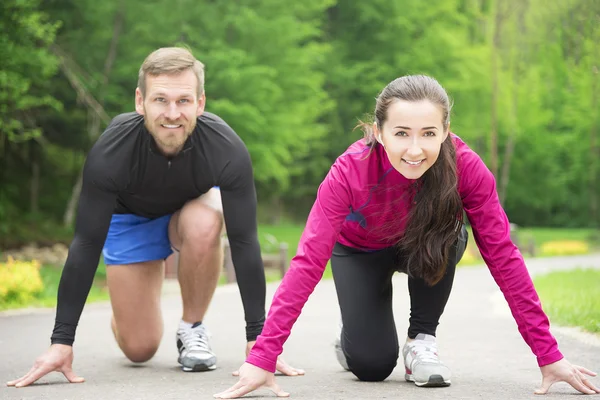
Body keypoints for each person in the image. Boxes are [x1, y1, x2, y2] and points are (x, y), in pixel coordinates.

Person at [214, 75, 600, 398]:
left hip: (427, 242)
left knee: (450, 230)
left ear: (446, 131)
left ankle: (421, 339)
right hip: (360, 251)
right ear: (380, 132)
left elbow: (503, 256)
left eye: (428, 133)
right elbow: (308, 261)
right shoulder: (350, 171)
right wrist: (264, 355)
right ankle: (354, 330)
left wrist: (548, 355)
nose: (415, 149)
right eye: (401, 133)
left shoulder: (466, 167)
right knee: (371, 366)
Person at [6, 47, 303, 389]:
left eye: (184, 101)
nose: (172, 113)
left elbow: (244, 240)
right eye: (160, 99)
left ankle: (192, 329)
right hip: (131, 220)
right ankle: (128, 306)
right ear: (140, 101)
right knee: (139, 348)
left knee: (205, 220)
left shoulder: (225, 149)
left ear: (200, 103)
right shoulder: (112, 151)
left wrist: (259, 341)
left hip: (189, 212)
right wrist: (61, 341)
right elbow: (86, 244)